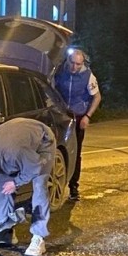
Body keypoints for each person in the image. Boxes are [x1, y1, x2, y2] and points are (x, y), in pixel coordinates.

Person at [0, 117, 56, 256]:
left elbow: (34, 168)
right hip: (15, 135)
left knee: (40, 186)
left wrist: (16, 182)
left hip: (42, 142)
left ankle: (38, 237)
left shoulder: (15, 152)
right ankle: (7, 230)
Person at [52, 49, 101, 200]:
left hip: (78, 118)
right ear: (68, 61)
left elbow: (97, 97)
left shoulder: (88, 76)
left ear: (82, 64)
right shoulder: (59, 72)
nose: (74, 67)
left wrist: (87, 116)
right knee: (55, 150)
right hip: (61, 117)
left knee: (75, 152)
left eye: (78, 65)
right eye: (72, 63)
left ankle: (74, 187)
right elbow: (50, 89)